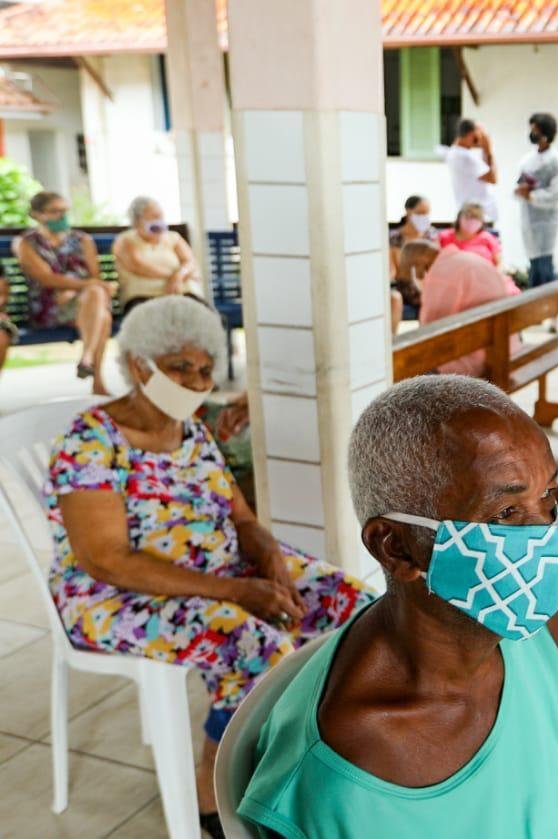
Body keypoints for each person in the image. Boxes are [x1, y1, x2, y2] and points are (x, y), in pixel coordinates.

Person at [238, 375, 558, 838]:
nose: (543, 538)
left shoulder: (551, 620)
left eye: (547, 497)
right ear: (397, 548)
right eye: (505, 514)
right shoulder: (343, 769)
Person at [44, 296, 373, 835]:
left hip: (219, 570)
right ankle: (212, 786)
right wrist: (239, 591)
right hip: (115, 594)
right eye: (180, 368)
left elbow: (239, 517)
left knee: (354, 604)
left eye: (204, 370)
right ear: (138, 365)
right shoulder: (90, 441)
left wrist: (267, 552)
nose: (197, 383)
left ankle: (323, 746)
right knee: (252, 643)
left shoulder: (190, 431)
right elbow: (106, 560)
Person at [13, 191, 113, 394]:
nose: (62, 216)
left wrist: (75, 289)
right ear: (37, 214)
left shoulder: (83, 239)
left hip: (86, 302)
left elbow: (95, 275)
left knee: (95, 297)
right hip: (49, 306)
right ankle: (96, 380)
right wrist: (81, 287)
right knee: (101, 311)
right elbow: (46, 279)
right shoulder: (26, 243)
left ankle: (87, 359)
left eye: (64, 210)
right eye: (55, 211)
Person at [398, 238, 520, 377]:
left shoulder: (440, 274)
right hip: (507, 348)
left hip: (481, 362)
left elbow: (428, 334)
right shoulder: (469, 259)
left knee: (404, 371)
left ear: (417, 265)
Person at [112, 195, 201, 313]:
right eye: (154, 217)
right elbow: (138, 266)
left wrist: (179, 275)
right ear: (137, 221)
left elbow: (190, 261)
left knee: (202, 315)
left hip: (181, 291)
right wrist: (174, 277)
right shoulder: (125, 240)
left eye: (161, 216)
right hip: (143, 295)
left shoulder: (173, 238)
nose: (159, 221)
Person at [516, 112, 558, 291]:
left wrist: (532, 196)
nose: (532, 133)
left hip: (546, 220)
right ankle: (536, 311)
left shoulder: (556, 161)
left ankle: (552, 312)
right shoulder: (527, 160)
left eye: (535, 129)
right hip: (528, 218)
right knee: (535, 264)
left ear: (546, 132)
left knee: (545, 266)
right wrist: (521, 191)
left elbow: (556, 193)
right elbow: (519, 185)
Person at [388, 195, 434, 333]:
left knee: (430, 295)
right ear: (408, 212)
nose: (424, 217)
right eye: (420, 213)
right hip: (404, 284)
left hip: (427, 284)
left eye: (427, 214)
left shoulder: (431, 236)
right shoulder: (395, 238)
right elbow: (392, 270)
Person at [444, 118, 499, 223]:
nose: (482, 138)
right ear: (470, 134)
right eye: (479, 135)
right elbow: (492, 178)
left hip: (474, 213)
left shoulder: (455, 153)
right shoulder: (465, 157)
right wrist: (488, 150)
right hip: (478, 215)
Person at [440, 201, 502, 266]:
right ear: (459, 217)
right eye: (468, 217)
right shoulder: (444, 236)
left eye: (476, 217)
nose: (471, 221)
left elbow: (499, 264)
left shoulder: (487, 237)